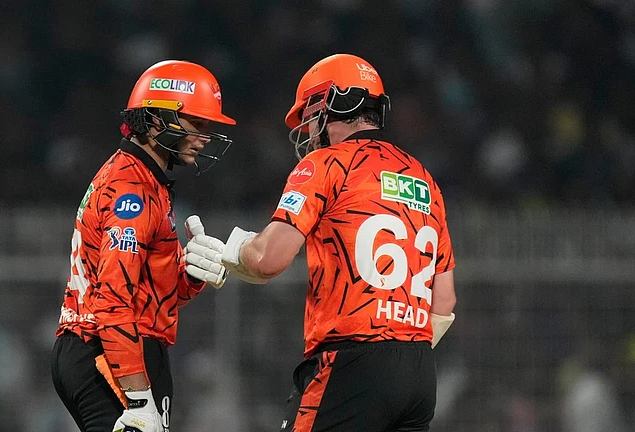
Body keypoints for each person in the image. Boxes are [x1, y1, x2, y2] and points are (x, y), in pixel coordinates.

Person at [188, 53, 457, 431]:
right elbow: (444, 303)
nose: (310, 127)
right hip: (418, 372)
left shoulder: (326, 164)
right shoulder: (425, 178)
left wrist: (232, 252)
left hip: (352, 359)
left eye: (312, 112)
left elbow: (269, 259)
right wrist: (399, 354)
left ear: (336, 103)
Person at [50, 60, 233, 432]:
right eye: (196, 123)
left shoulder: (141, 179)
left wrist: (190, 274)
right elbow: (114, 301)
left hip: (98, 346)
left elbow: (146, 293)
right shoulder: (133, 192)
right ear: (154, 121)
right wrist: (139, 400)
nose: (204, 137)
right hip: (111, 351)